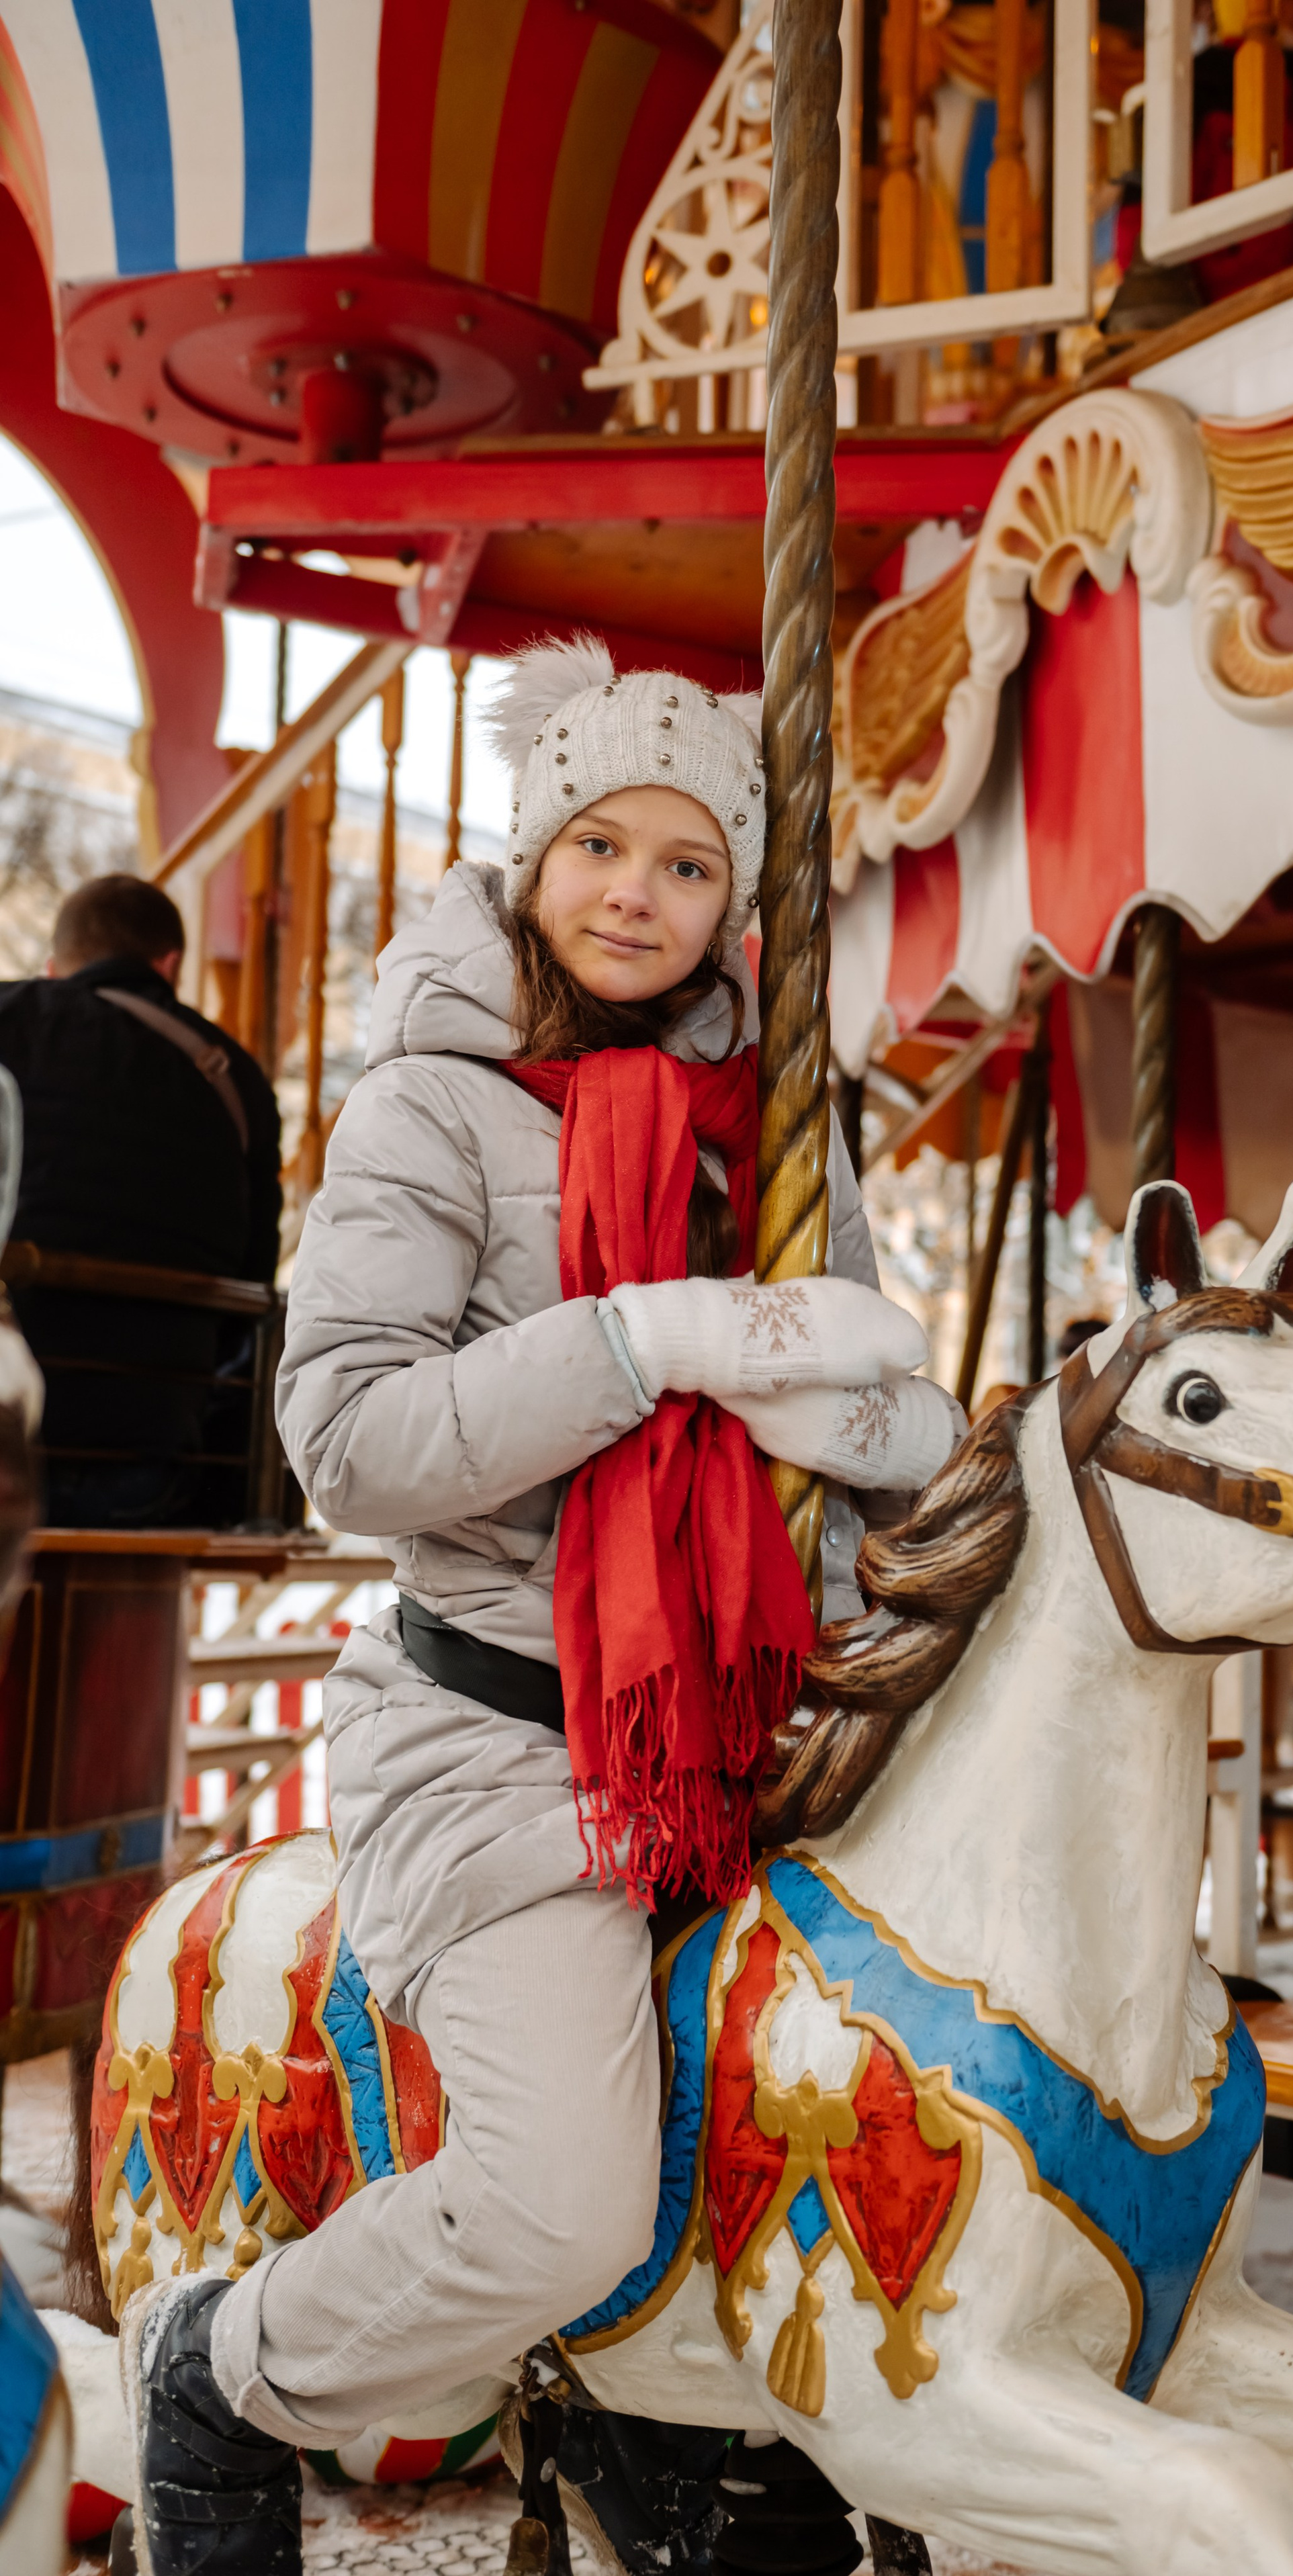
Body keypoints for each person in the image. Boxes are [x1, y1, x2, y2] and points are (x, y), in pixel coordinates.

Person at [123, 640, 965, 2576]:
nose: (639, 898)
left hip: (748, 1722)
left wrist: (902, 1445)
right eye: (601, 843)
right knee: (561, 2198)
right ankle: (227, 2369)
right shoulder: (431, 1103)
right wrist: (642, 1337)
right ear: (531, 856)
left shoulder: (769, 1112)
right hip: (506, 1739)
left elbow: (812, 1447)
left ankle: (667, 2410)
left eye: (689, 866)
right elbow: (351, 1440)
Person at [0, 873, 281, 1527]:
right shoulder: (233, 1076)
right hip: (146, 1461)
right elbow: (250, 1284)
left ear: (53, 967)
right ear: (170, 965)